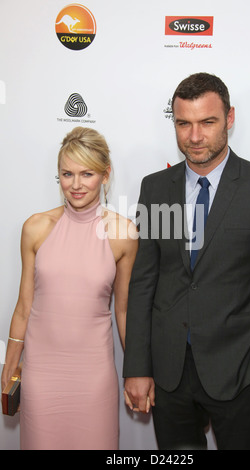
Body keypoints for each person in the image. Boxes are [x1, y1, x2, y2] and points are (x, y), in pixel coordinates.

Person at [123, 73, 250, 450]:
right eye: (183, 124)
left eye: (207, 122)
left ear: (229, 118)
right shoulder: (155, 189)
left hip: (240, 369)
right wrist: (138, 367)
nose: (195, 136)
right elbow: (143, 282)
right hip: (169, 373)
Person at [1, 127, 138, 450]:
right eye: (67, 174)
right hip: (41, 375)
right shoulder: (36, 228)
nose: (75, 185)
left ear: (105, 176)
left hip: (93, 377)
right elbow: (24, 306)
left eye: (86, 173)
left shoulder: (123, 233)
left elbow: (124, 310)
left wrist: (137, 371)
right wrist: (9, 364)